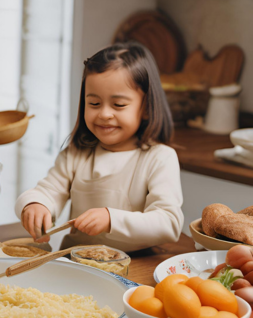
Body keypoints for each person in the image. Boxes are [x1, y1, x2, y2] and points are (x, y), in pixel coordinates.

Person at [16, 42, 184, 252]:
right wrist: (34, 204)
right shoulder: (77, 154)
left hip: (137, 266)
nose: (104, 114)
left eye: (119, 105)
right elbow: (48, 191)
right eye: (94, 104)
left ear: (147, 108)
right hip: (77, 263)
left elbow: (169, 223)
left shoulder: (160, 158)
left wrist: (111, 219)